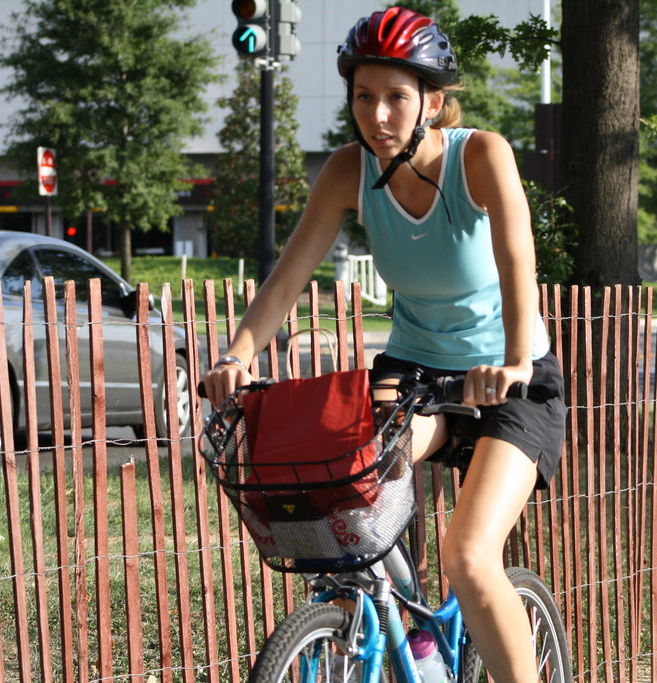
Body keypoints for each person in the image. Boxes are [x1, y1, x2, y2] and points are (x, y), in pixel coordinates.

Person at [203, 7, 566, 681]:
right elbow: (287, 277)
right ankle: (407, 637)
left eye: (396, 97)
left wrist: (515, 359)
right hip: (417, 373)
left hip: (512, 380)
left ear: (433, 101)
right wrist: (238, 351)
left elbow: (520, 262)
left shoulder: (481, 156)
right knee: (342, 502)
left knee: (467, 553)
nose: (377, 115)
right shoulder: (350, 171)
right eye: (363, 96)